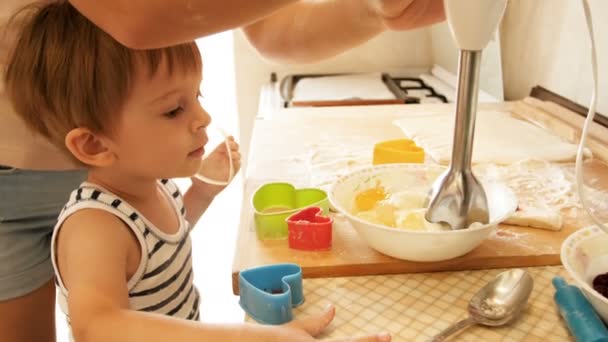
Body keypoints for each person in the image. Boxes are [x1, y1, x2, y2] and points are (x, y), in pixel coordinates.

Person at [0, 1, 445, 341]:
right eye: (174, 109)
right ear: (95, 144)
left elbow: (160, 246)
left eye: (197, 96)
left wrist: (202, 192)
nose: (203, 118)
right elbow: (98, 324)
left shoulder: (146, 188)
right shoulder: (92, 226)